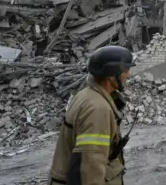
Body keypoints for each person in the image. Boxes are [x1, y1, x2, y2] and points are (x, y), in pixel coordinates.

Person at [48, 45, 136, 185]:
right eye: (126, 70)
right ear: (111, 75)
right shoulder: (97, 110)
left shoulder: (85, 95)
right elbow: (90, 165)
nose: (129, 74)